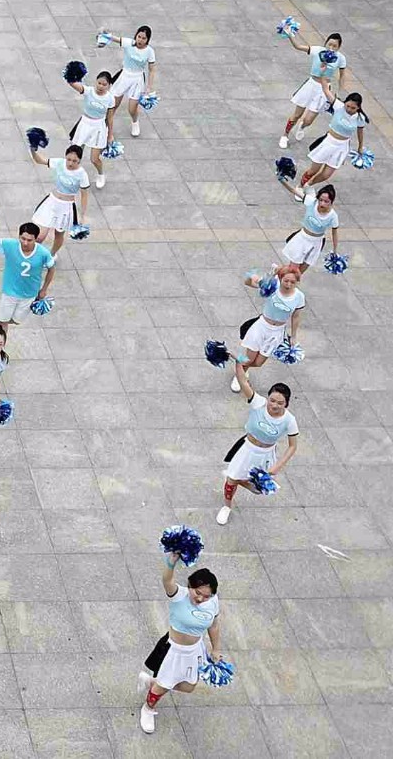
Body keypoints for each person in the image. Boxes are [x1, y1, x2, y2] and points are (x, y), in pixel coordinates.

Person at [137, 560, 222, 735]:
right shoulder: (179, 595)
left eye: (206, 596)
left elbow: (214, 625)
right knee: (164, 685)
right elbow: (166, 580)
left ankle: (151, 682)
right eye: (197, 592)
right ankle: (148, 708)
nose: (200, 598)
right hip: (173, 650)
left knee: (189, 686)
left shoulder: (213, 602)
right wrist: (171, 562)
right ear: (189, 586)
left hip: (195, 650)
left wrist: (216, 648)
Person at [218, 367, 298, 525]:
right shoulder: (258, 403)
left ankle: (235, 477)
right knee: (231, 481)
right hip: (247, 449)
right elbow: (242, 381)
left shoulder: (289, 420)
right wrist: (239, 363)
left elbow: (292, 446)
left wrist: (277, 467)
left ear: (286, 404)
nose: (274, 405)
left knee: (259, 489)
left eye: (280, 403)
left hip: (266, 454)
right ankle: (227, 506)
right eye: (272, 400)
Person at [226, 264, 306, 393]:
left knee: (258, 363)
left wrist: (294, 335)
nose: (289, 284)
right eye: (286, 281)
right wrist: (257, 277)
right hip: (261, 327)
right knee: (250, 358)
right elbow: (248, 282)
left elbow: (296, 316)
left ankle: (238, 363)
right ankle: (239, 375)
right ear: (280, 278)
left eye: (293, 282)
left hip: (277, 332)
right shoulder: (272, 286)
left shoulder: (299, 296)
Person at [286, 92, 368, 201]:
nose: (349, 109)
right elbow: (326, 90)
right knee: (313, 171)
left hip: (342, 147)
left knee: (326, 175)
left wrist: (360, 146)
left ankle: (308, 185)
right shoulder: (338, 106)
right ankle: (300, 187)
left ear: (358, 107)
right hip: (329, 142)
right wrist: (324, 77)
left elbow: (360, 132)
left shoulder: (360, 117)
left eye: (353, 108)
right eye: (347, 106)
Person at [0, 220, 55, 329]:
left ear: (36, 239)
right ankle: (1, 339)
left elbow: (51, 269)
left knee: (17, 321)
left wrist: (44, 289)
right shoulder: (10, 245)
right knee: (4, 323)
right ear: (19, 236)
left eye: (29, 240)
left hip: (30, 293)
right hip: (10, 292)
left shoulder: (43, 253)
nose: (25, 243)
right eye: (23, 238)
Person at [279, 30, 348, 149]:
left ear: (339, 47)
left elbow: (342, 76)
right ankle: (285, 135)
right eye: (329, 44)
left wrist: (340, 91)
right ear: (326, 43)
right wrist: (290, 35)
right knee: (297, 114)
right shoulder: (317, 50)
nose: (331, 48)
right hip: (311, 84)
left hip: (324, 88)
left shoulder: (340, 58)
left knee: (309, 120)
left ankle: (302, 126)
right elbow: (298, 46)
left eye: (334, 46)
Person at [28, 144, 90, 256]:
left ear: (79, 160)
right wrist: (33, 150)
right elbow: (40, 161)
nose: (70, 163)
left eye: (74, 161)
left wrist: (82, 215)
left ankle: (51, 255)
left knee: (59, 233)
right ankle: (33, 255)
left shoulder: (82, 174)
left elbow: (84, 195)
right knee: (40, 235)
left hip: (66, 206)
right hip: (52, 202)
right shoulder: (59, 163)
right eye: (69, 159)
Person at [99, 25, 157, 138]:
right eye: (139, 36)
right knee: (113, 104)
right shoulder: (129, 43)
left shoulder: (149, 51)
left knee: (132, 108)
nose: (140, 40)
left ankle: (135, 122)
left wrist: (149, 87)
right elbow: (115, 39)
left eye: (143, 38)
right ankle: (106, 126)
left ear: (148, 40)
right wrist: (105, 35)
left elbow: (152, 69)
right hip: (124, 75)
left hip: (137, 79)